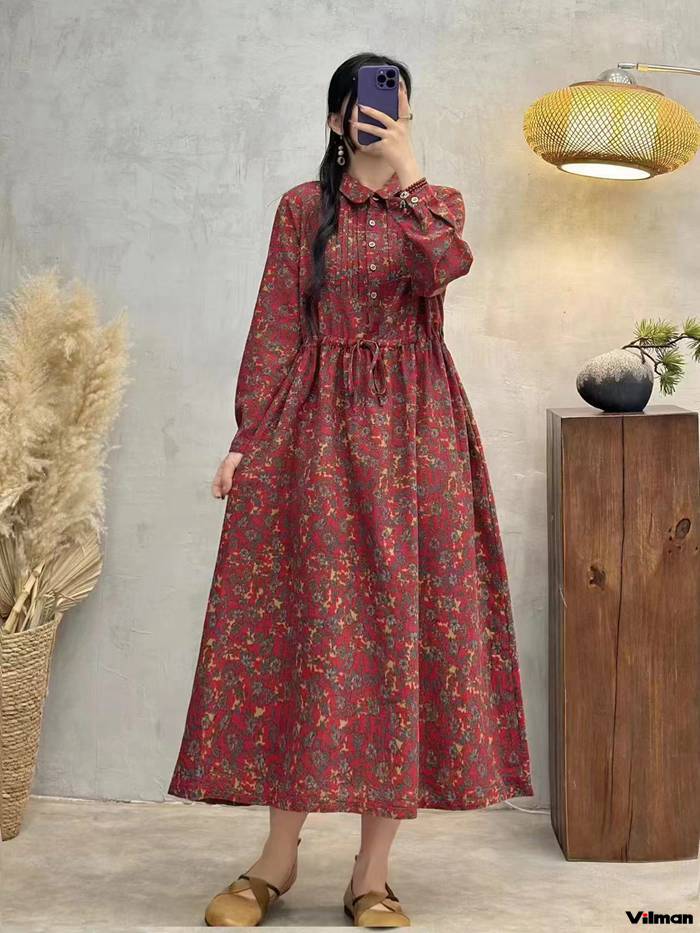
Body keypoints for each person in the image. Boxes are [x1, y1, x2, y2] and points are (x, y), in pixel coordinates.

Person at [168, 52, 534, 928]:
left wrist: (410, 175)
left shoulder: (437, 206)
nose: (380, 119)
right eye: (367, 108)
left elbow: (445, 268)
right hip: (318, 430)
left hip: (417, 436)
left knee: (401, 634)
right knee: (309, 631)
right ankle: (275, 859)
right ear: (338, 119)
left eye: (396, 107)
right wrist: (248, 437)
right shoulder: (303, 209)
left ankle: (372, 874)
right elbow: (275, 324)